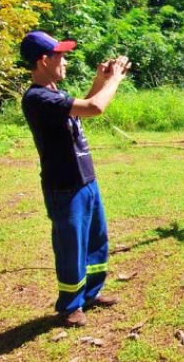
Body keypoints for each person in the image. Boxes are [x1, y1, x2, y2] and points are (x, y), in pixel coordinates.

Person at [19, 30, 131, 327]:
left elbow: (82, 107)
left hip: (86, 180)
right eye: (61, 56)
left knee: (96, 240)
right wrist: (116, 79)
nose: (65, 62)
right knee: (71, 246)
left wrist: (102, 79)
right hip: (64, 186)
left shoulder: (54, 93)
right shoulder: (38, 98)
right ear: (44, 61)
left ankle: (91, 293)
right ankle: (70, 305)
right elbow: (95, 107)